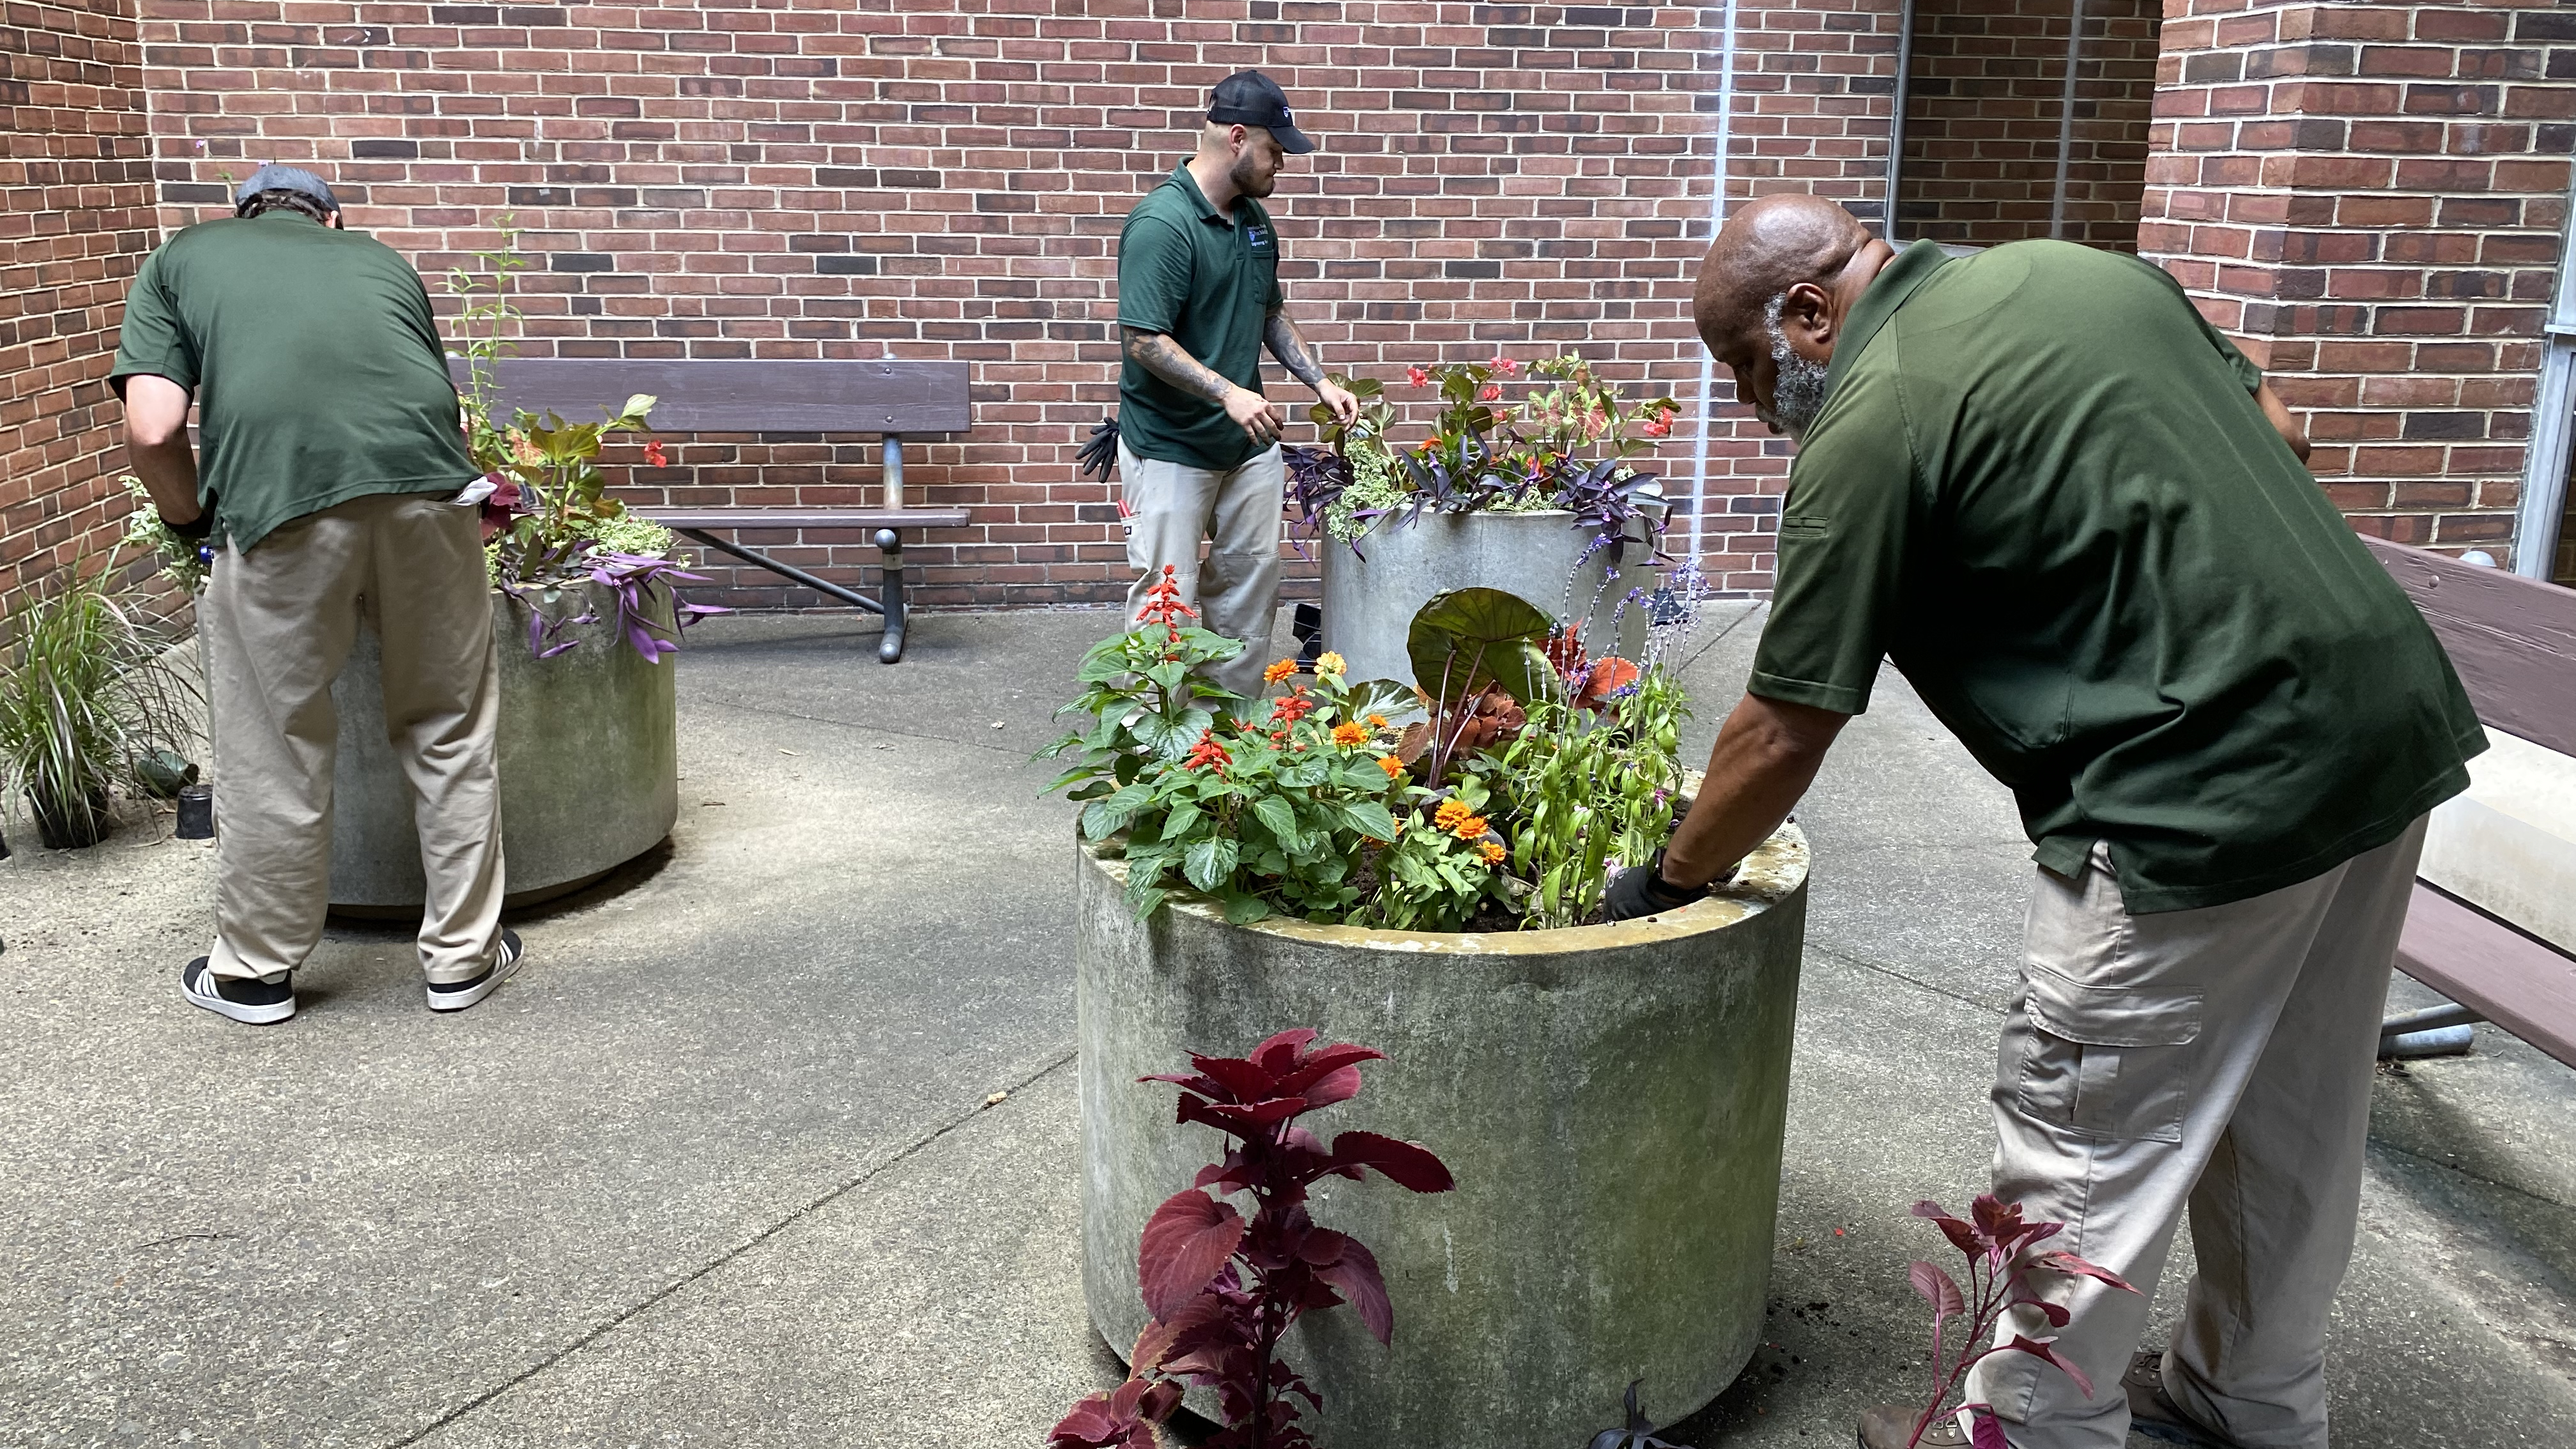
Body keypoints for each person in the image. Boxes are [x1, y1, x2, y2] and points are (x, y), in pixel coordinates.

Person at [1609, 195, 2484, 1449]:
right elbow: (2279, 431)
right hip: (2375, 730)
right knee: (2295, 1112)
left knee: (2082, 1155)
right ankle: (2249, 1410)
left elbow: (1783, 729)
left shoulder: (1871, 417)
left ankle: (2032, 1434)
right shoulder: (2087, 276)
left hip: (2195, 791)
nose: (1755, 411)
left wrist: (1671, 873)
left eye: (1750, 371)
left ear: (1808, 313)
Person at [114, 164, 524, 1026]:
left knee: (276, 740)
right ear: (331, 221)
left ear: (246, 216)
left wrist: (192, 526)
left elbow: (153, 429)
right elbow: (442, 416)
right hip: (431, 497)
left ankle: (255, 975)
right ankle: (462, 961)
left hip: (279, 506)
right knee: (449, 724)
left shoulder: (182, 257)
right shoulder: (381, 260)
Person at [1113, 70, 1359, 695]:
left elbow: (1270, 312)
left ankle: (1234, 746)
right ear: (1239, 139)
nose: (1281, 163)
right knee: (1166, 600)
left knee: (1250, 594)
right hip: (1171, 446)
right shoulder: (1163, 224)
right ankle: (1154, 751)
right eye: (1276, 151)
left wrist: (1319, 383)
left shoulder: (1254, 221)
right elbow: (1142, 339)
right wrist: (1227, 391)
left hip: (1246, 448)